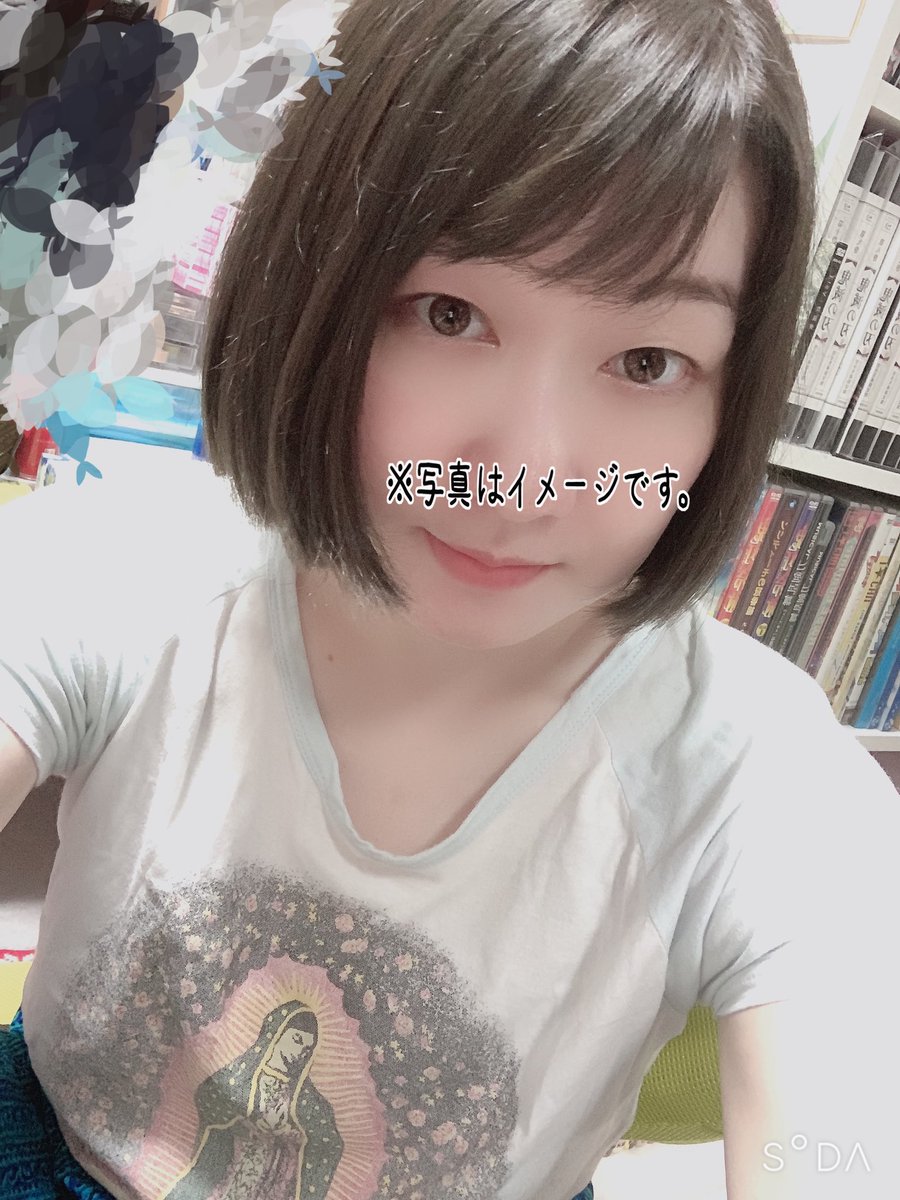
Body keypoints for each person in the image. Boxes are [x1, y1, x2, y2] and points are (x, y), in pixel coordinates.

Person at [0, 0, 898, 1198]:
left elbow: (838, 1149)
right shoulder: (130, 567)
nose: (527, 474)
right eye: (449, 313)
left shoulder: (765, 782)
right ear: (315, 279)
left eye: (648, 361)